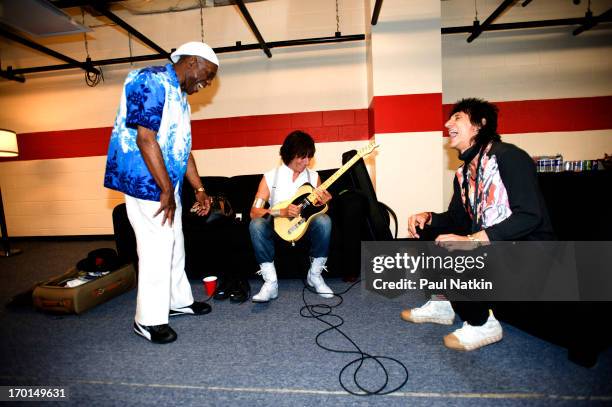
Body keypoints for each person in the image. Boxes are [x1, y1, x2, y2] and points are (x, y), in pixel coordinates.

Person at [401, 98, 554, 351]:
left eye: (457, 117)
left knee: (460, 249)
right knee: (432, 234)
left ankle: (483, 324)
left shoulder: (509, 157)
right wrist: (428, 217)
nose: (447, 123)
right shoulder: (462, 174)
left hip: (530, 249)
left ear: (479, 125)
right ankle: (442, 303)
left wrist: (472, 241)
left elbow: (529, 216)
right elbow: (456, 220)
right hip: (495, 246)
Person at [104, 42, 219, 344]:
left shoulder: (179, 96)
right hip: (147, 182)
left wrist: (200, 189)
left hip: (168, 184)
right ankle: (147, 320)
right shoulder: (151, 79)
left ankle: (177, 300)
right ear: (192, 62)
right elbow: (145, 138)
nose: (206, 83)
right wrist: (166, 188)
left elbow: (183, 148)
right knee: (156, 245)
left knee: (174, 241)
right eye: (207, 75)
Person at [249, 130, 334, 302]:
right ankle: (271, 284)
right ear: (289, 154)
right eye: (302, 157)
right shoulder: (270, 177)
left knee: (324, 221)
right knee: (256, 224)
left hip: (304, 229)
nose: (306, 161)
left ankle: (315, 276)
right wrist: (281, 212)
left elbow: (318, 209)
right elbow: (254, 212)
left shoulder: (313, 177)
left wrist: (325, 202)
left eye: (309, 157)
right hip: (278, 230)